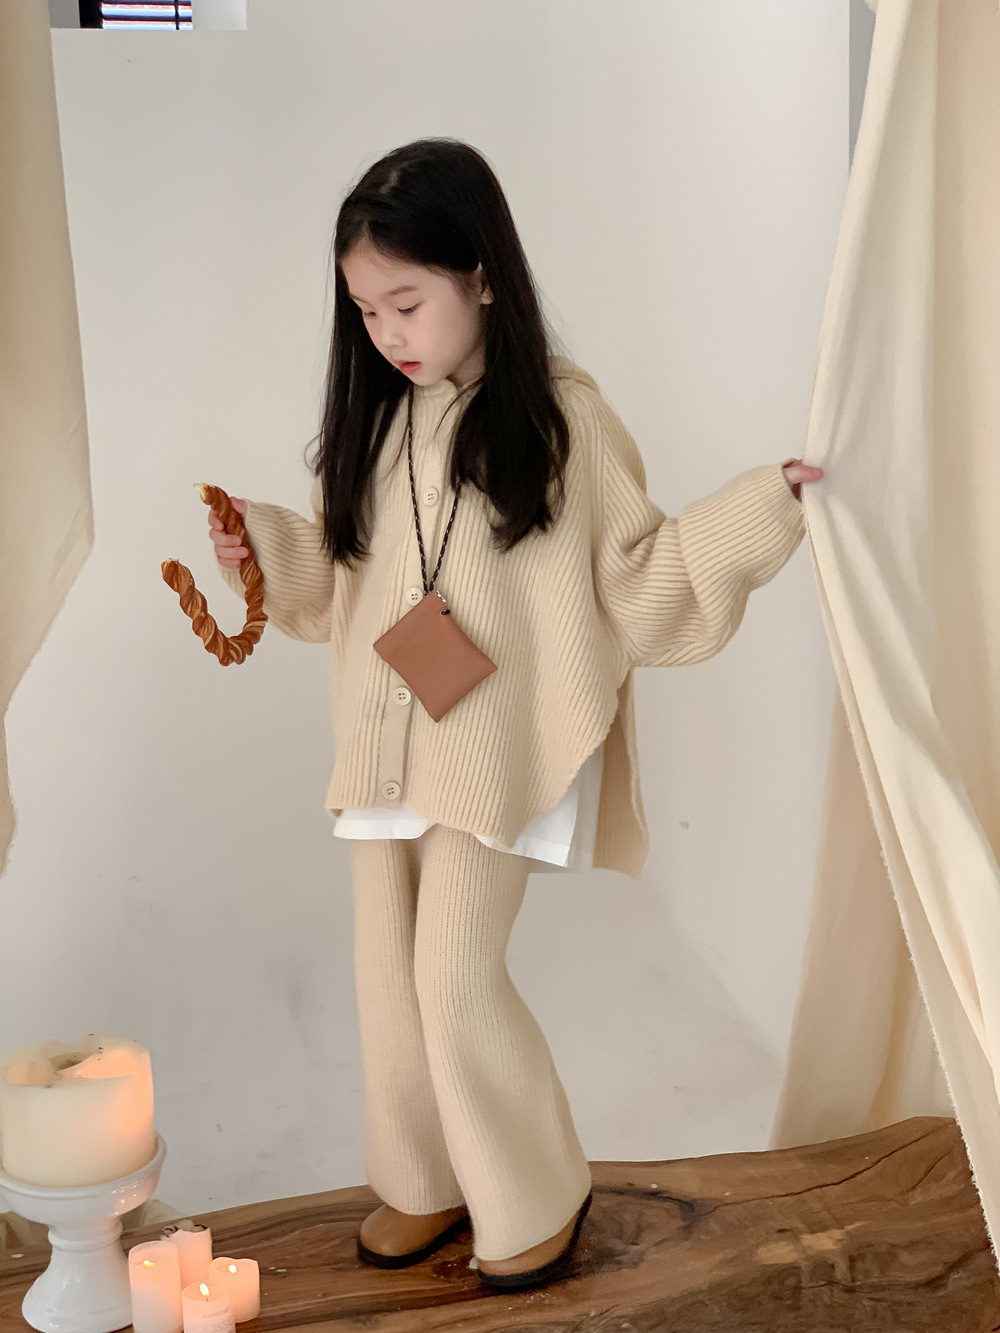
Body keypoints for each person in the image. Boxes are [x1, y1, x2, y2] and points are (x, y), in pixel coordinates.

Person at [210, 138, 823, 1291]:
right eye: (365, 311)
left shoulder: (563, 421)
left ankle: (535, 1188)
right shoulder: (384, 423)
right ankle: (424, 1178)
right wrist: (260, 544)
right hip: (388, 738)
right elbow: (344, 587)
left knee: (453, 978)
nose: (386, 334)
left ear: (481, 275)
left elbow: (639, 577)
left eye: (407, 303)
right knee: (388, 976)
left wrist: (763, 508)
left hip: (497, 745)